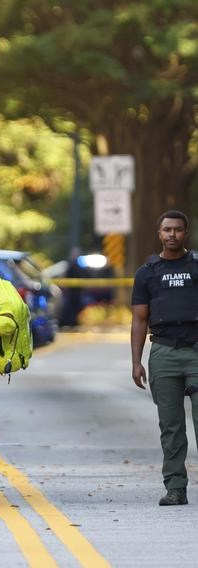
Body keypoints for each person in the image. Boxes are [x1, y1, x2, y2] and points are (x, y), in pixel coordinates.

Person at [131, 210, 198, 507]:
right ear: (159, 233)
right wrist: (136, 361)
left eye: (178, 230)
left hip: (196, 350)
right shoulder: (147, 272)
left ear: (186, 233)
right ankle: (176, 488)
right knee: (171, 427)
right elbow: (139, 320)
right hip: (163, 352)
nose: (172, 235)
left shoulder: (196, 267)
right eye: (167, 230)